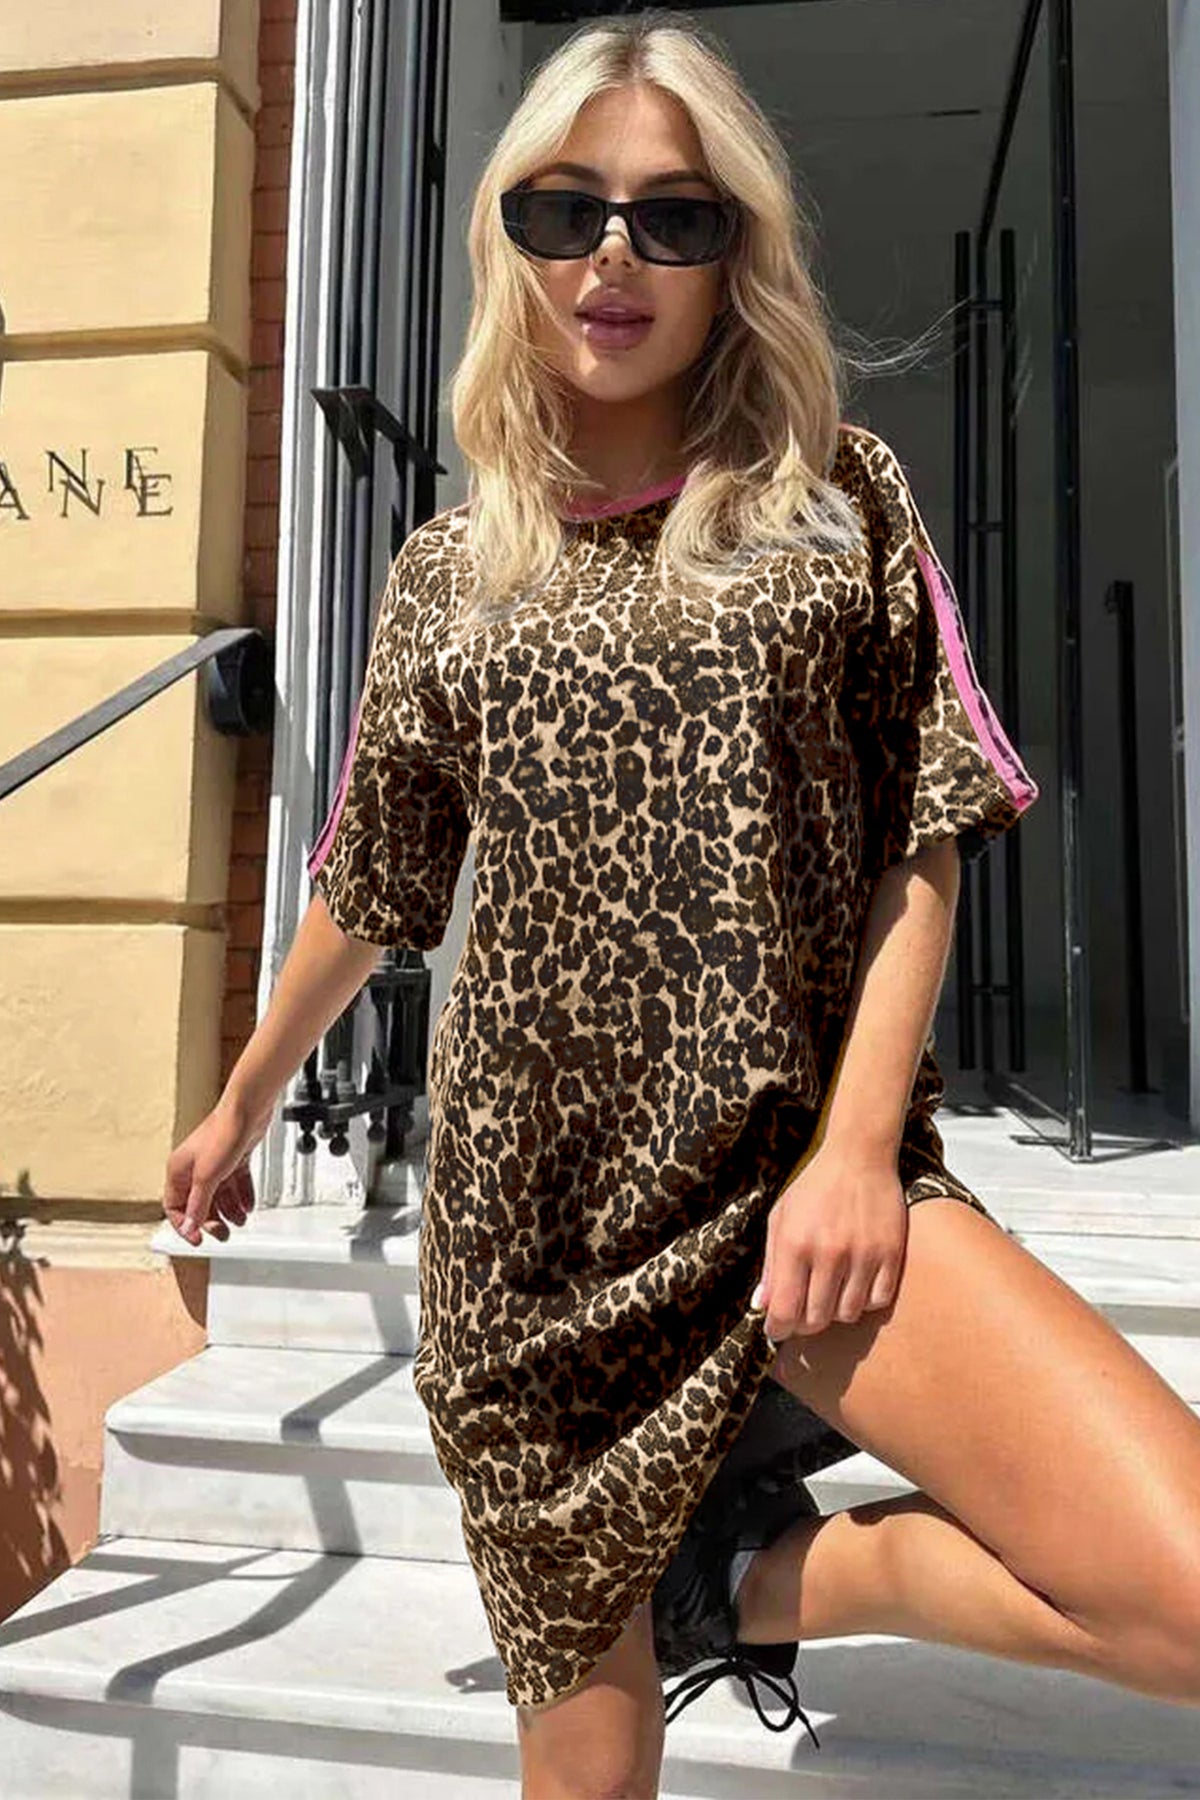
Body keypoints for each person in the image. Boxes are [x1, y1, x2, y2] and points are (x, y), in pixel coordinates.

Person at [163, 14, 1200, 1800]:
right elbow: (373, 880)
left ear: (738, 254)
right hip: (537, 1258)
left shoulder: (839, 503)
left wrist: (859, 1146)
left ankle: (746, 1582)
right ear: (512, 239)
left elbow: (925, 834)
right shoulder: (446, 572)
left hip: (799, 1182)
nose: (615, 254)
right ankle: (696, 1589)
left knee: (1178, 1593)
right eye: (566, 210)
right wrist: (244, 1100)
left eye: (675, 215)